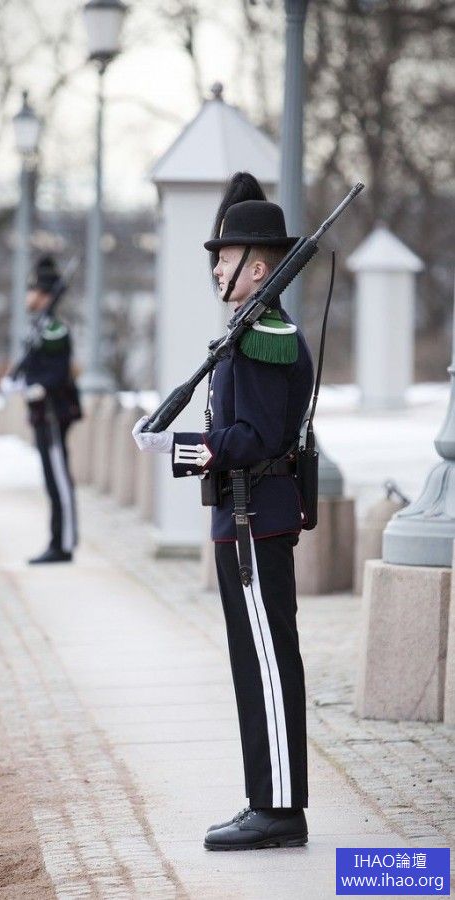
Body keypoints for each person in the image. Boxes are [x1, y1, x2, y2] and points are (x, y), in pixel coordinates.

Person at [132, 173, 314, 851]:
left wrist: (178, 448)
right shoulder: (248, 329)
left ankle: (280, 809)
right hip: (244, 518)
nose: (215, 268)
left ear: (257, 267)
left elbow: (255, 438)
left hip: (256, 519)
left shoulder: (265, 333)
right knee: (253, 662)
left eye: (226, 256)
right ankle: (265, 798)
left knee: (267, 661)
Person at [18, 254, 81, 564]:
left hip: (54, 413)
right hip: (44, 413)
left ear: (44, 295)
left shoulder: (54, 329)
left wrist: (36, 386)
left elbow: (57, 373)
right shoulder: (40, 326)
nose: (27, 296)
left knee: (58, 479)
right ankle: (57, 541)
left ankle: (63, 544)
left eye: (32, 290)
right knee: (51, 479)